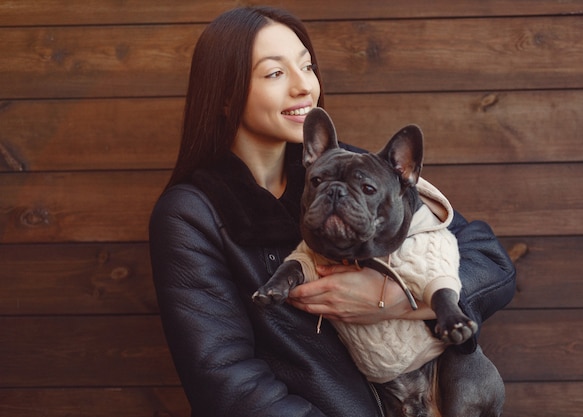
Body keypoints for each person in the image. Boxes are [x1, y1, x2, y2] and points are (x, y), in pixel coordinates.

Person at [149, 6, 516, 417]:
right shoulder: (190, 215)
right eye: (275, 73)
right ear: (226, 94)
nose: (303, 86)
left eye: (307, 67)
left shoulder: (352, 169)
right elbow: (227, 382)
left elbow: (490, 261)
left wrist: (398, 298)